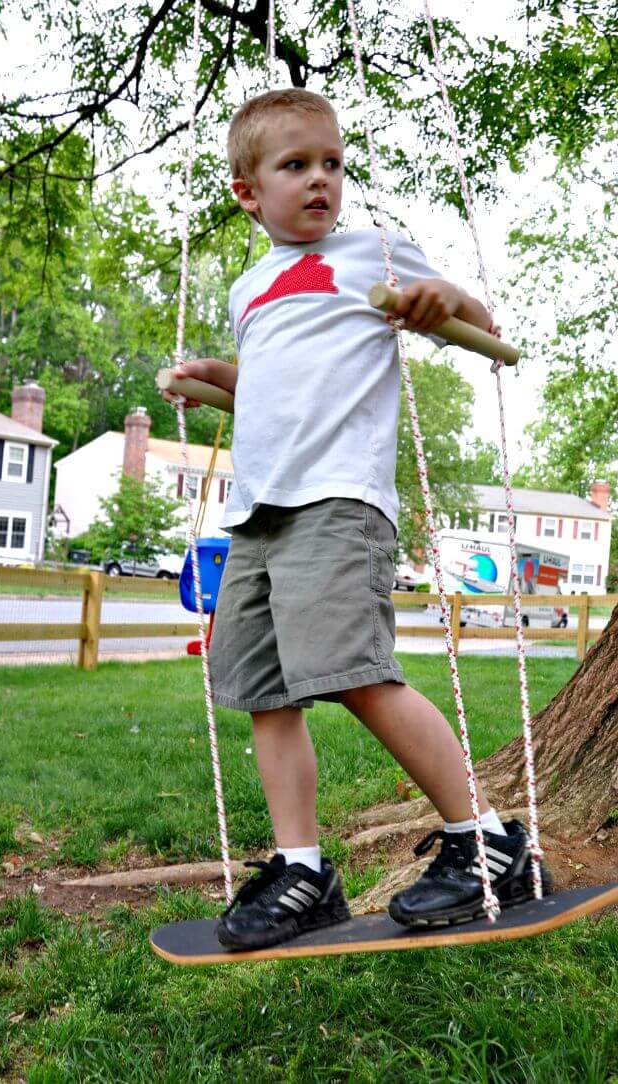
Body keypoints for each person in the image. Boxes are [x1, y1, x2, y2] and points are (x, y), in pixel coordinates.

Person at [163, 88, 552, 951]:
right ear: (246, 190)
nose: (320, 181)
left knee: (351, 669)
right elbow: (269, 386)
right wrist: (210, 376)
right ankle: (302, 870)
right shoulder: (249, 286)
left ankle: (486, 841)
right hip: (256, 509)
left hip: (338, 499)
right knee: (265, 692)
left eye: (332, 163)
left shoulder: (369, 251)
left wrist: (441, 296)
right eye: (295, 165)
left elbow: (477, 320)